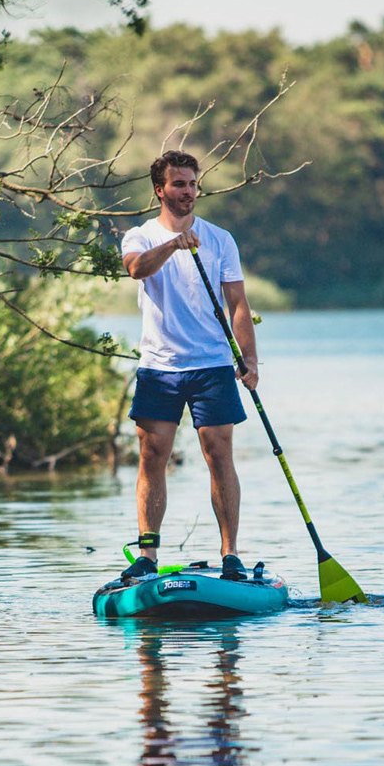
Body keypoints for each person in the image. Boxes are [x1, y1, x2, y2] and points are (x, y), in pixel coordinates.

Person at [119, 150, 259, 581]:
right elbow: (137, 270)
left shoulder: (220, 239)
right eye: (179, 184)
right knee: (152, 455)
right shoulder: (139, 236)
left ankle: (230, 555)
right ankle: (147, 557)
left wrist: (249, 358)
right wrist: (173, 244)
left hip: (213, 366)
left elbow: (237, 303)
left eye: (193, 184)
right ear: (159, 190)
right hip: (160, 366)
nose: (188, 192)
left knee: (219, 455)